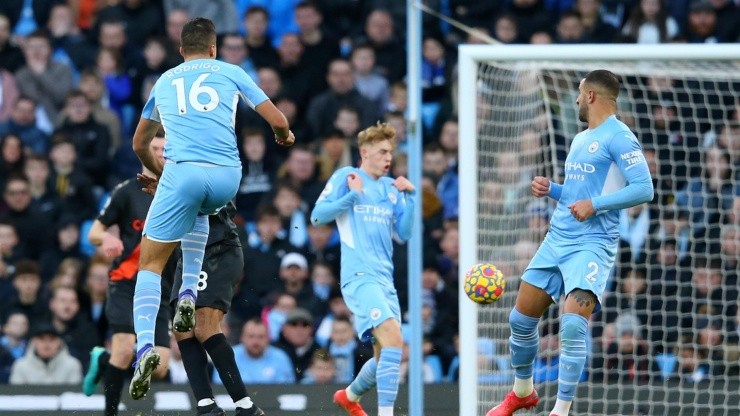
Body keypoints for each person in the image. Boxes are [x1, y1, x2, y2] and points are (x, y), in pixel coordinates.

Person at [129, 16, 294, 400]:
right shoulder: (232, 70)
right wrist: (283, 136)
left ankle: (143, 350)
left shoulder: (166, 81)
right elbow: (278, 120)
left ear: (181, 50)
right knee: (199, 210)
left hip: (183, 173)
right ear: (214, 49)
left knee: (150, 265)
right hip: (227, 177)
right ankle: (188, 294)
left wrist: (160, 174)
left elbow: (140, 144)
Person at [485, 69, 654, 416]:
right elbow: (579, 196)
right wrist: (553, 191)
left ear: (591, 96)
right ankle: (522, 392)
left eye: (579, 94)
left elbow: (644, 188)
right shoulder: (580, 139)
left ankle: (560, 411)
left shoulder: (620, 137)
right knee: (520, 320)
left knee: (574, 325)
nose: (576, 100)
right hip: (558, 237)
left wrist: (597, 205)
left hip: (593, 243)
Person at [311, 122, 416, 416]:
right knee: (395, 338)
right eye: (382, 152)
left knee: (386, 355)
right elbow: (317, 217)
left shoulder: (390, 188)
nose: (388, 159)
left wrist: (410, 198)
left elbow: (405, 233)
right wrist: (352, 197)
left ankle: (350, 394)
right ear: (364, 152)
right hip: (359, 277)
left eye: (390, 153)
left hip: (385, 280)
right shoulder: (348, 177)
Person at [82, 134, 173, 416]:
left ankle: (104, 358)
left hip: (161, 285)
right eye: (154, 149)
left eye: (164, 150)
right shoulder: (126, 191)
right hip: (126, 280)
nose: (159, 154)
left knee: (159, 368)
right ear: (143, 152)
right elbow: (94, 231)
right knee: (125, 348)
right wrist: (105, 240)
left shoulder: (177, 190)